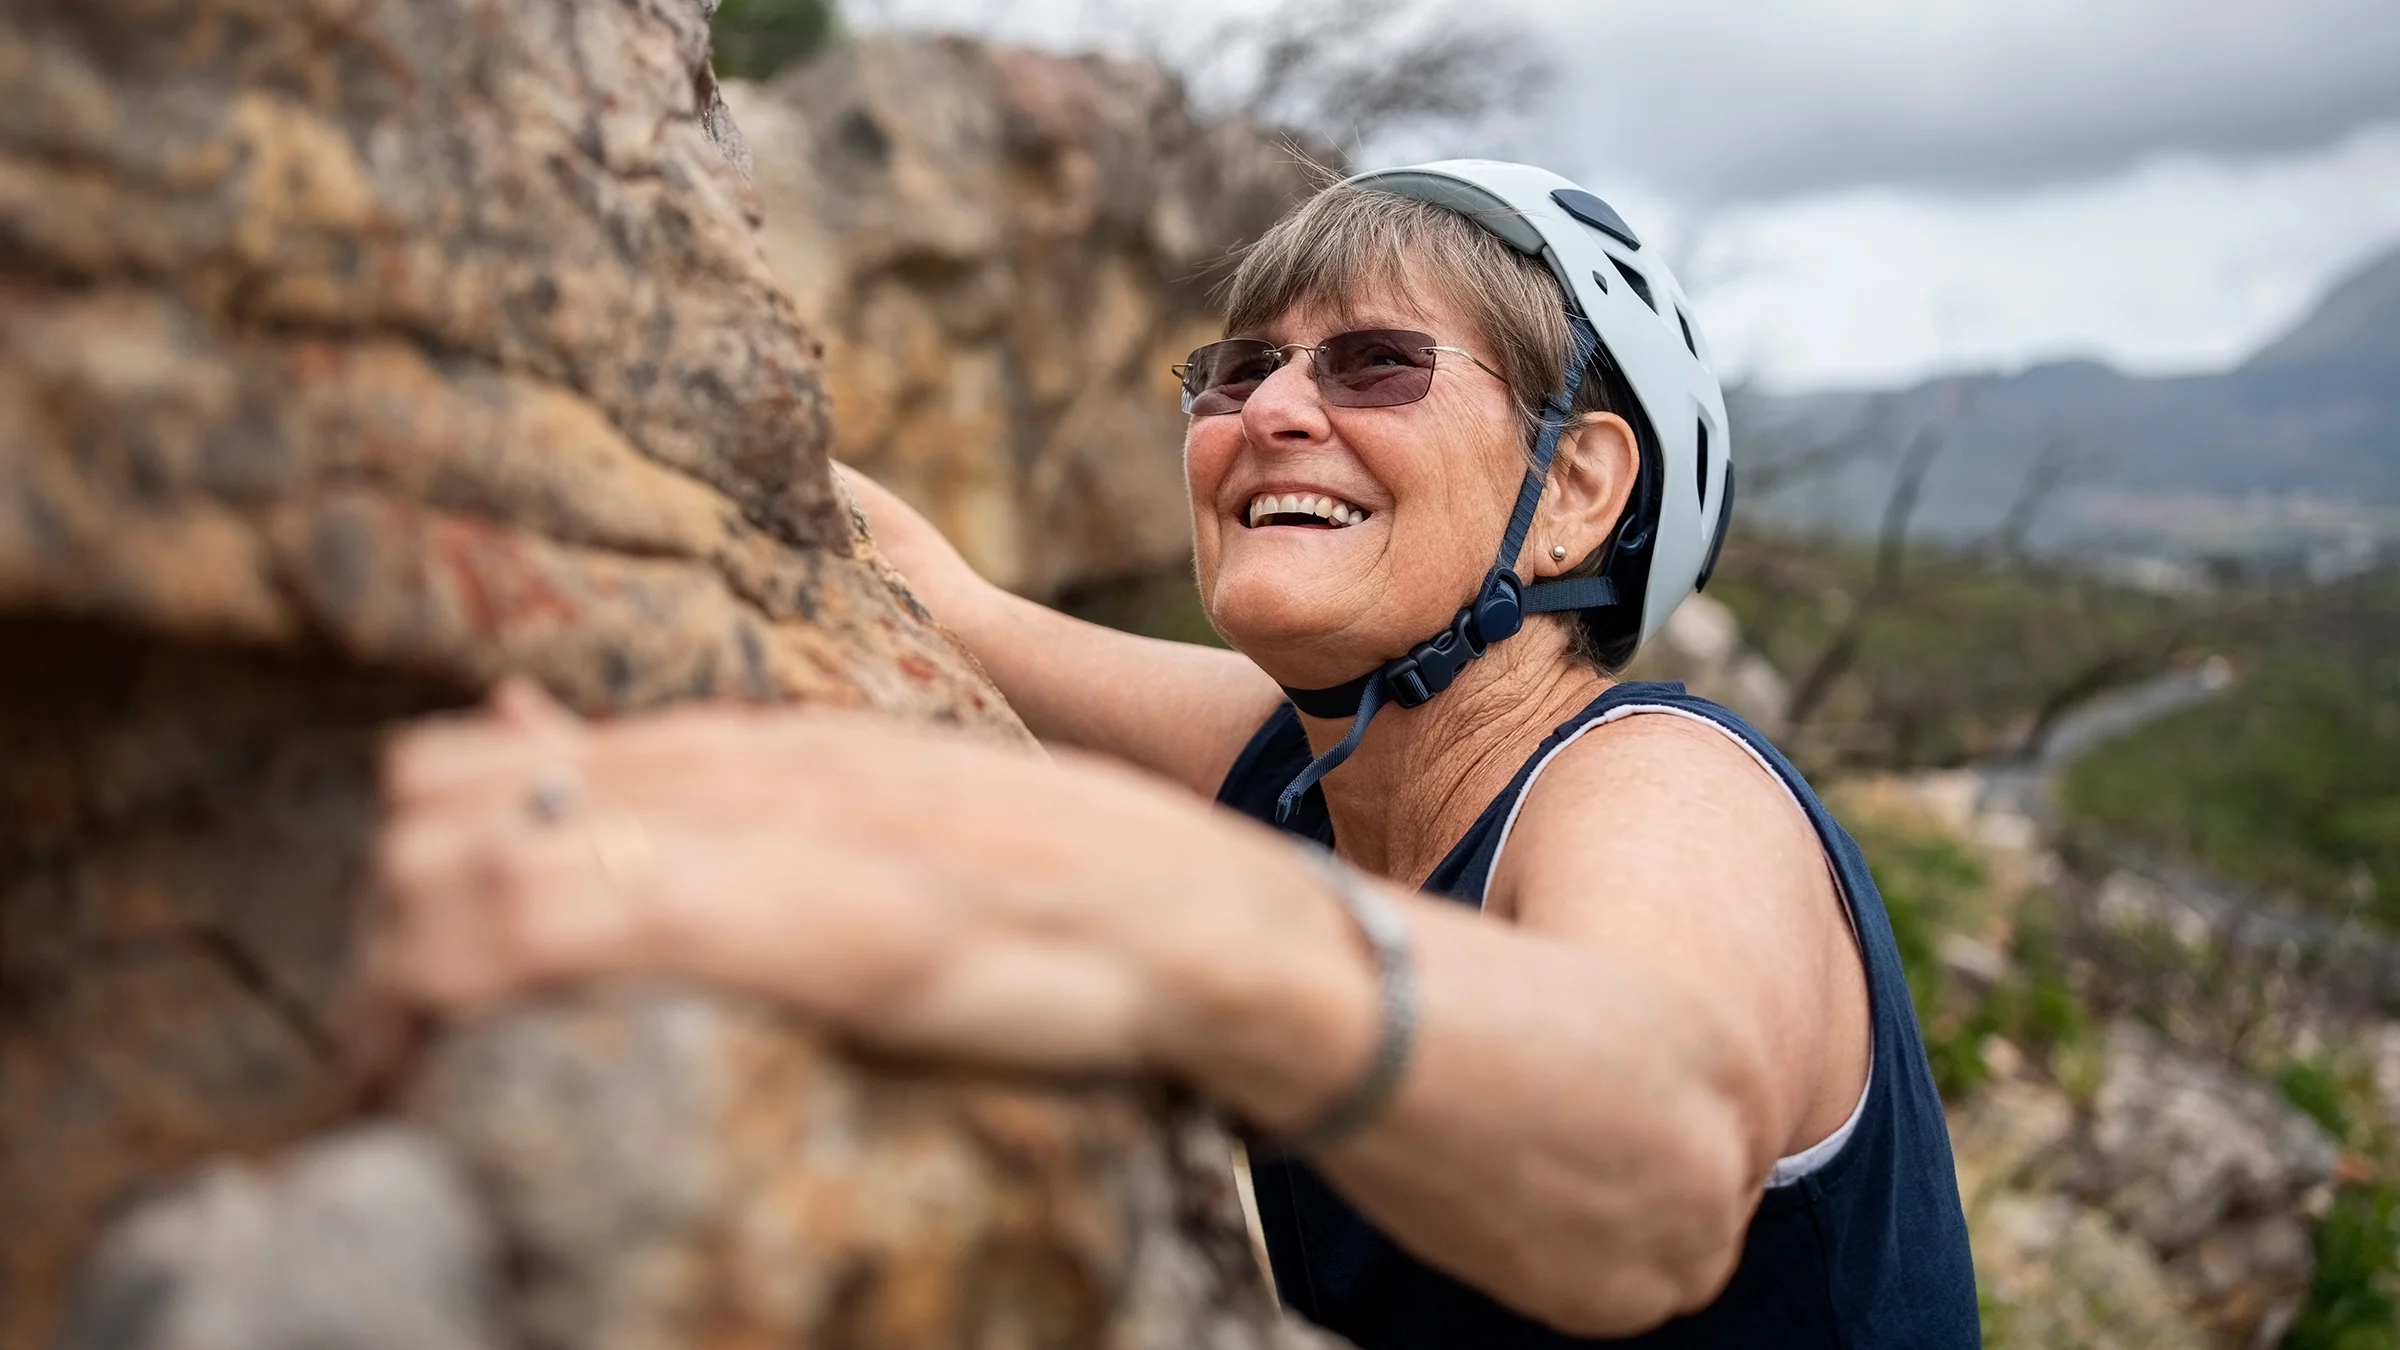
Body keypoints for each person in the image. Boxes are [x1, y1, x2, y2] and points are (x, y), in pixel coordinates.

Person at [360, 161, 1979, 1346]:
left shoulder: (1661, 785)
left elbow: (1660, 1154)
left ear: (1576, 489)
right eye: (1240, 366)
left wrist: (1167, 922)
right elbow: (936, 599)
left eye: (1375, 363)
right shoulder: (1301, 762)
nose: (1273, 407)